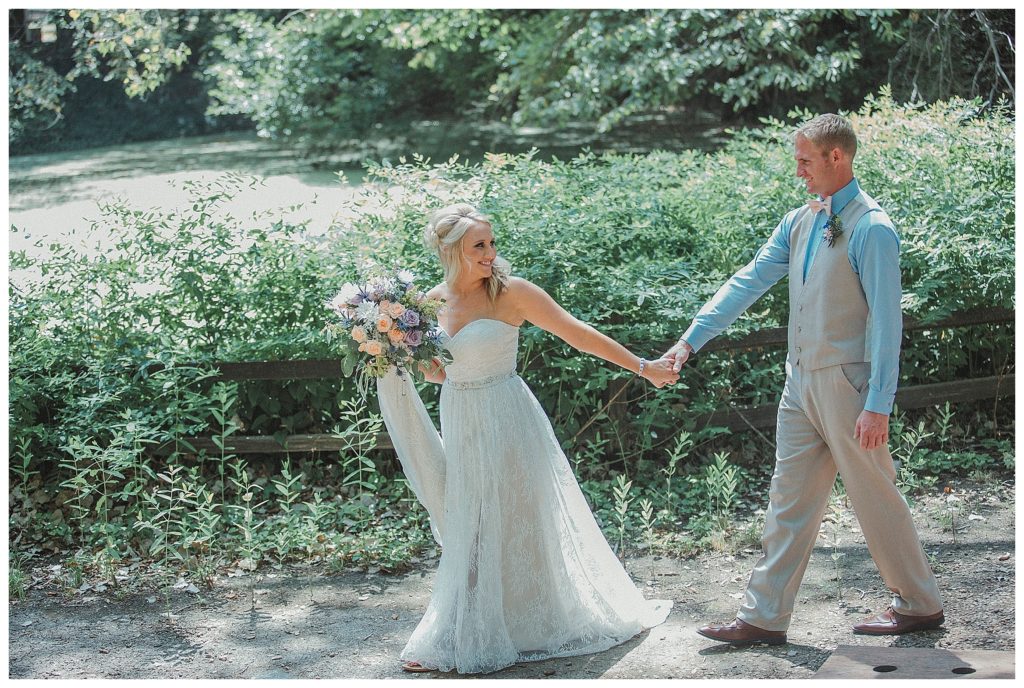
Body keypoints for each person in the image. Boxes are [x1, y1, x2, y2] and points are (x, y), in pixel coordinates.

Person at [662, 114, 944, 645]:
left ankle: (919, 604)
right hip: (799, 385)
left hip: (849, 388)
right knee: (787, 498)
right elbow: (748, 280)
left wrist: (878, 402)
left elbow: (887, 324)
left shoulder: (872, 228)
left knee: (875, 496)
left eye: (805, 161)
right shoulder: (799, 220)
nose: (799, 173)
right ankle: (763, 617)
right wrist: (690, 339)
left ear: (837, 157)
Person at [376, 203, 675, 674]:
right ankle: (465, 628)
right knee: (468, 521)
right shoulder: (425, 307)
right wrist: (388, 350)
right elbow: (440, 372)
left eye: (492, 243)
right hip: (461, 416)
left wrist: (645, 367)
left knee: (515, 515)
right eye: (480, 245)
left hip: (508, 415)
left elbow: (579, 335)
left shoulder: (512, 293)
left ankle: (522, 624)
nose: (491, 253)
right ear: (451, 250)